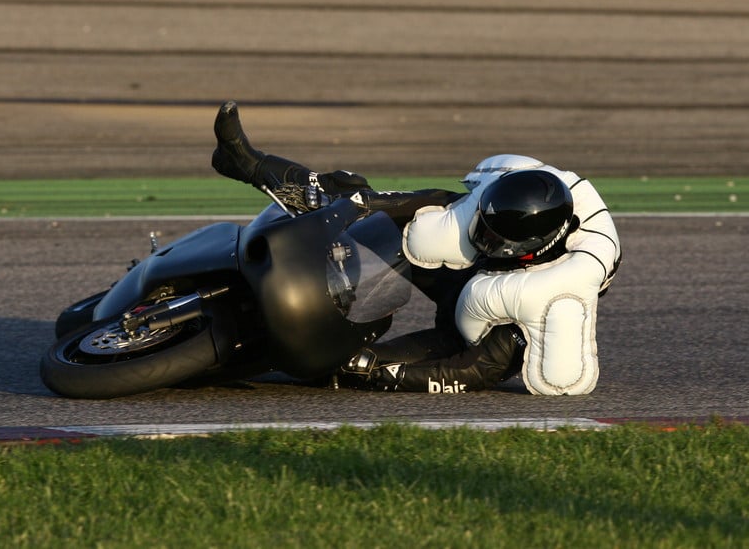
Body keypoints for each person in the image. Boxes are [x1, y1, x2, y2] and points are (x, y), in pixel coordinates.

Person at [211, 101, 622, 395]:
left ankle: (260, 354)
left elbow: (477, 370)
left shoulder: (554, 297)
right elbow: (431, 204)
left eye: (497, 240)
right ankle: (249, 164)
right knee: (366, 197)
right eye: (484, 226)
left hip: (471, 331)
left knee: (348, 372)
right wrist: (364, 204)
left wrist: (380, 374)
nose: (484, 239)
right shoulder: (515, 192)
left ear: (534, 248)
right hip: (469, 276)